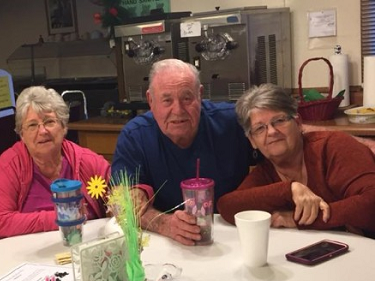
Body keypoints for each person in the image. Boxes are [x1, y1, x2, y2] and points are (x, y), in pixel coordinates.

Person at [111, 59, 251, 246]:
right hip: (166, 245)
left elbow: (280, 155)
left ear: (200, 95)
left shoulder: (233, 123)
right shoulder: (135, 136)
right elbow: (121, 203)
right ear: (150, 101)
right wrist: (164, 224)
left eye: (187, 98)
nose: (178, 110)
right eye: (167, 100)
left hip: (235, 238)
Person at [217, 83, 375, 236]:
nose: (271, 131)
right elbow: (227, 206)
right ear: (252, 141)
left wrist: (297, 219)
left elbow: (371, 203)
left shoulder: (333, 146)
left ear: (298, 123)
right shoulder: (265, 172)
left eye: (279, 120)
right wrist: (289, 190)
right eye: (260, 128)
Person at [0, 86, 110, 239]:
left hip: (83, 247)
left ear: (64, 127)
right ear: (22, 134)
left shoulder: (86, 161)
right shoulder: (10, 165)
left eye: (49, 122)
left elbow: (122, 192)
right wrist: (61, 218)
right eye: (32, 125)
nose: (42, 131)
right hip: (28, 254)